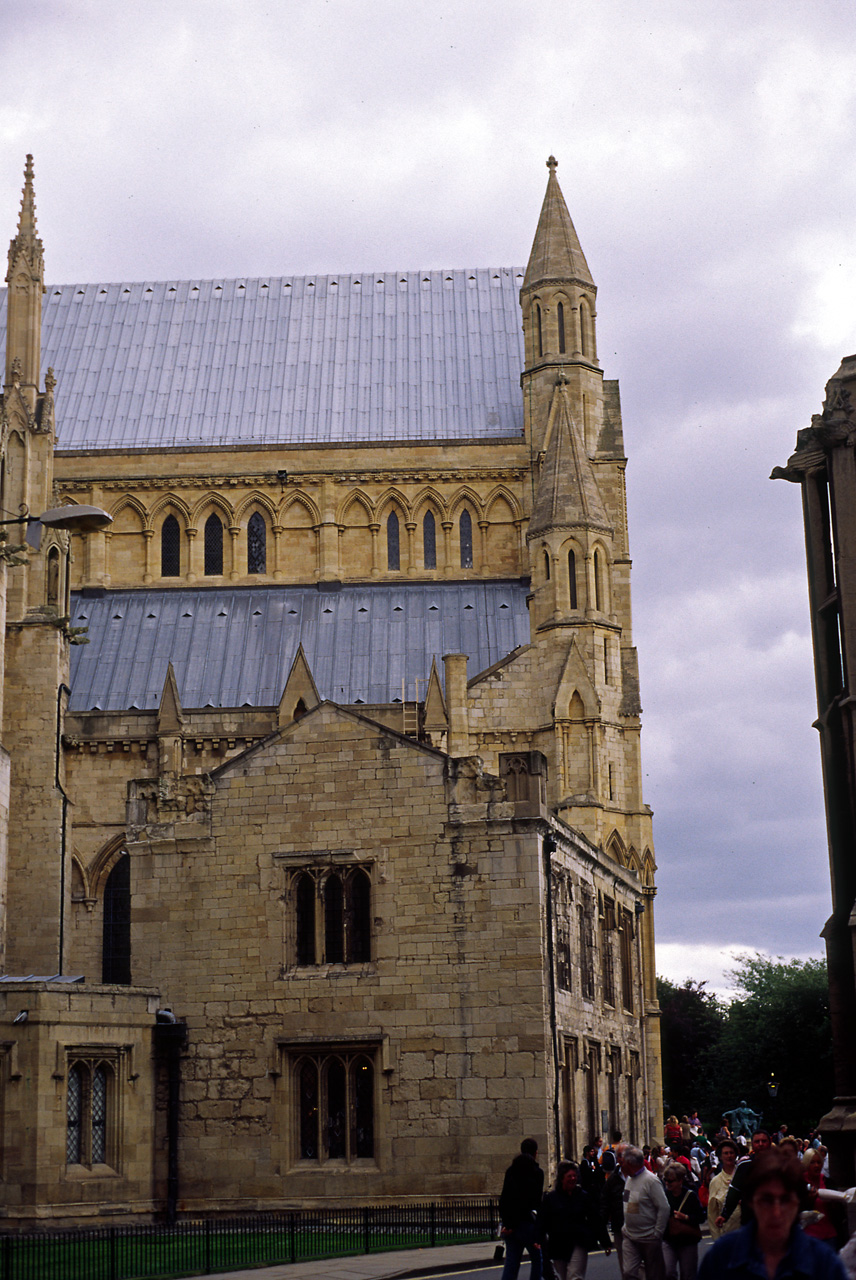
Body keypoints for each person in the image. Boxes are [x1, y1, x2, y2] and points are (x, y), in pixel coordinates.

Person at [699, 1149, 847, 1280]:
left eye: (785, 1200)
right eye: (766, 1200)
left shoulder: (824, 1262)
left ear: (798, 1203)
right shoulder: (721, 1257)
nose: (776, 1212)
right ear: (751, 1202)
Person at [539, 1160, 610, 1280]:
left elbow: (595, 1219)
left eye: (575, 1176)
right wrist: (538, 1239)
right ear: (562, 1178)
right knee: (565, 1276)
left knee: (575, 1276)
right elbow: (543, 1221)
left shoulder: (583, 1196)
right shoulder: (551, 1198)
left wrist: (605, 1242)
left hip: (578, 1241)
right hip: (558, 1244)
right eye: (569, 1176)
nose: (573, 1179)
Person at [620, 1145, 669, 1280]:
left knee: (654, 1274)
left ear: (630, 1163)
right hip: (630, 1235)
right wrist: (626, 1224)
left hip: (648, 1237)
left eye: (623, 1161)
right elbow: (628, 1202)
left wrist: (657, 1233)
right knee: (629, 1272)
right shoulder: (629, 1179)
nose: (620, 1164)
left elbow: (664, 1207)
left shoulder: (651, 1181)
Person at [499, 1138, 545, 1280]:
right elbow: (534, 1202)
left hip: (511, 1225)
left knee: (512, 1263)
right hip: (527, 1224)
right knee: (537, 1259)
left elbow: (505, 1198)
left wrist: (508, 1224)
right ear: (536, 1153)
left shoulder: (511, 1171)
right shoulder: (537, 1172)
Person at [717, 1129, 772, 1230]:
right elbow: (734, 1192)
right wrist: (725, 1214)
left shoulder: (779, 1165)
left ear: (770, 1142)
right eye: (757, 1141)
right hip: (750, 1221)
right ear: (753, 1144)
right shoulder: (744, 1166)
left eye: (764, 1141)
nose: (760, 1144)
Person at [662, 1163, 705, 1280]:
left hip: (687, 1240)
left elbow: (701, 1217)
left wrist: (685, 1217)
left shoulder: (690, 1196)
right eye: (665, 1180)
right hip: (669, 1239)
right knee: (667, 1272)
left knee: (688, 1274)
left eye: (671, 1181)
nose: (667, 1183)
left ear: (680, 1181)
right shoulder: (664, 1195)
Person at [707, 1140, 740, 1239]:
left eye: (731, 1153)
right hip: (727, 1235)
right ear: (720, 1157)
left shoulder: (744, 1176)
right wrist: (717, 1239)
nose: (729, 1156)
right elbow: (712, 1213)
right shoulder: (715, 1182)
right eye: (725, 1153)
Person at [601, 1150, 626, 1275]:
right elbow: (605, 1206)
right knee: (626, 1269)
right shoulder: (613, 1180)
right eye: (619, 1157)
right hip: (620, 1227)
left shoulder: (645, 1178)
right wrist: (605, 1240)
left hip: (641, 1229)